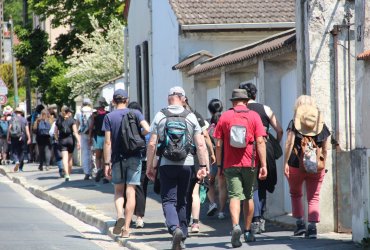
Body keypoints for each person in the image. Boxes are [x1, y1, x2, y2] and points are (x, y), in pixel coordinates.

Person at [146, 86, 208, 250]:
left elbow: (152, 143)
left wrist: (149, 166)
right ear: (183, 98)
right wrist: (203, 166)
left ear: (169, 99)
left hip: (166, 164)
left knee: (168, 200)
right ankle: (183, 235)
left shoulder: (160, 115)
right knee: (183, 200)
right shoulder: (191, 116)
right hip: (186, 164)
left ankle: (174, 229)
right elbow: (200, 144)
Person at [213, 89, 267, 248]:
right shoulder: (254, 116)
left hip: (230, 164)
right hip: (250, 163)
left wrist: (218, 165)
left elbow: (218, 144)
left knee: (235, 195)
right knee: (248, 195)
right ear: (246, 100)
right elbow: (261, 141)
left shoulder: (225, 116)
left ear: (233, 102)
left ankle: (235, 226)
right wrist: (263, 165)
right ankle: (248, 231)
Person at [102, 89, 150, 238]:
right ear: (127, 100)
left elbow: (108, 142)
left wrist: (106, 163)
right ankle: (127, 229)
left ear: (113, 101)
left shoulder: (109, 117)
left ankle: (119, 215)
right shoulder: (135, 113)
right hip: (135, 156)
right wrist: (137, 135)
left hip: (117, 158)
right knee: (131, 192)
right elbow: (148, 129)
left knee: (118, 191)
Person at [283, 95, 330, 239]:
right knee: (314, 196)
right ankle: (313, 228)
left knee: (296, 194)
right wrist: (323, 162)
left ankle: (300, 224)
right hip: (316, 166)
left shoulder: (293, 124)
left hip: (295, 165)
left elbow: (289, 144)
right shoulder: (321, 125)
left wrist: (285, 162)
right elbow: (325, 148)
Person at [240, 82, 283, 234]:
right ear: (254, 94)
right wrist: (274, 143)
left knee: (251, 184)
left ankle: (255, 219)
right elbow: (279, 130)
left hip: (245, 149)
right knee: (263, 182)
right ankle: (261, 217)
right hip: (265, 145)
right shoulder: (265, 109)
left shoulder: (238, 110)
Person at [183, 96, 213, 234]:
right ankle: (195, 223)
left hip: (178, 158)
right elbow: (205, 136)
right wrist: (211, 153)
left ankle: (183, 220)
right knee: (194, 192)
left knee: (181, 192)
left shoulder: (171, 115)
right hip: (195, 157)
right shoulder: (195, 115)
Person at [122, 101, 150, 228]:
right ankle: (140, 217)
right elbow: (149, 137)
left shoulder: (125, 123)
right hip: (142, 158)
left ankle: (127, 216)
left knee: (127, 187)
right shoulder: (141, 122)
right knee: (141, 188)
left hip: (126, 158)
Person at [207, 98, 227, 220]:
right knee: (222, 185)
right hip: (225, 157)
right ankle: (221, 211)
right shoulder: (226, 120)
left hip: (212, 158)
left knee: (210, 182)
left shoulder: (208, 124)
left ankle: (212, 203)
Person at [55, 106, 80, 181]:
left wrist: (56, 139)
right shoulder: (72, 120)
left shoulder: (58, 120)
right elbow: (75, 132)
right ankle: (69, 173)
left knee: (64, 159)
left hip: (62, 140)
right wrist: (79, 141)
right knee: (70, 159)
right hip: (70, 140)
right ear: (68, 112)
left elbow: (55, 132)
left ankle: (66, 174)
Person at [89, 97, 109, 184]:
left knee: (98, 156)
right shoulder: (108, 114)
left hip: (97, 137)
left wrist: (89, 137)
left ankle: (99, 170)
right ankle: (105, 174)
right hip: (106, 136)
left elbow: (91, 126)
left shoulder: (94, 115)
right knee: (105, 157)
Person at [7, 107, 31, 172]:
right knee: (22, 152)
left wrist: (8, 137)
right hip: (23, 137)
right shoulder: (24, 120)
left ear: (15, 112)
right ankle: (20, 168)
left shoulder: (12, 119)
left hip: (14, 137)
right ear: (21, 112)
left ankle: (16, 160)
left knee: (14, 150)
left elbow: (9, 128)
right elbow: (27, 130)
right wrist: (29, 138)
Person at [75, 98, 93, 180]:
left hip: (83, 134)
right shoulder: (92, 111)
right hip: (92, 133)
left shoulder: (79, 112)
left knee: (85, 153)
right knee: (93, 152)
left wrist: (77, 136)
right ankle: (94, 169)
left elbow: (77, 124)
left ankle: (87, 172)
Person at [48, 105, 64, 177]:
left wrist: (55, 137)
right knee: (66, 156)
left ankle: (61, 169)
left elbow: (51, 133)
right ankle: (67, 171)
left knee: (59, 156)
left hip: (57, 141)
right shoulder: (69, 121)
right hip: (67, 141)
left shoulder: (56, 123)